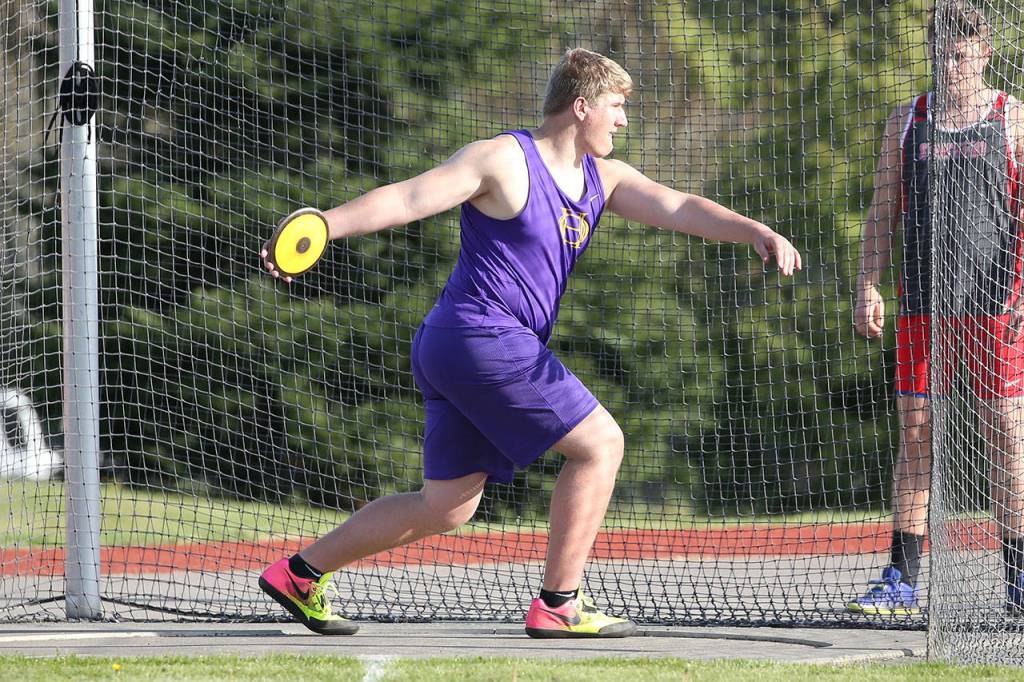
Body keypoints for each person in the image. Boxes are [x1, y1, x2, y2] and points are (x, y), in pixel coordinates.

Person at [258, 47, 801, 638]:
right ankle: (558, 604)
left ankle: (300, 573)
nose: (624, 120)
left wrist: (754, 230)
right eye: (617, 107)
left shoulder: (604, 178)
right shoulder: (502, 159)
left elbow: (676, 205)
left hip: (456, 345)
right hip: (480, 334)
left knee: (446, 507)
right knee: (600, 444)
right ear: (582, 106)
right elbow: (409, 198)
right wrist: (324, 226)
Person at [851, 2, 1024, 615]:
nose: (949, 66)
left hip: (995, 305)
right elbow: (881, 212)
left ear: (983, 54)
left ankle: (1019, 580)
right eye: (940, 54)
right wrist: (867, 283)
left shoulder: (1011, 120)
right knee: (916, 430)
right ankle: (901, 578)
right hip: (923, 303)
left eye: (960, 54)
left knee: (1004, 432)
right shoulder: (908, 119)